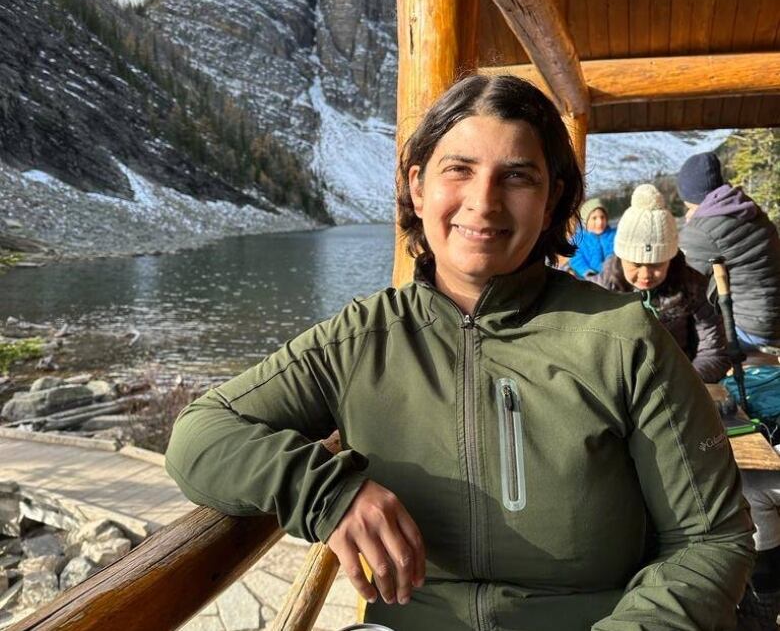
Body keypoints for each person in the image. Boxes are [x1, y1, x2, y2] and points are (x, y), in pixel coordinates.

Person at [165, 75, 754, 631]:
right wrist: (325, 491)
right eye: (459, 170)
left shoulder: (625, 342)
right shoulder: (361, 340)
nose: (484, 202)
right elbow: (200, 434)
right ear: (418, 187)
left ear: (551, 201)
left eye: (518, 176)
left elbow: (709, 539)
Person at [595, 183, 729, 384]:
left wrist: (683, 385)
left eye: (657, 263)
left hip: (680, 379)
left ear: (671, 257)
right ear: (621, 257)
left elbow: (714, 351)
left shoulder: (693, 286)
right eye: (636, 264)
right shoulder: (604, 288)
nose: (646, 274)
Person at [677, 151, 780, 350]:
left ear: (689, 194)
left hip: (752, 330)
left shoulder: (701, 229)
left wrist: (693, 226)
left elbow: (685, 281)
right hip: (773, 317)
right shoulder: (747, 207)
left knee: (691, 334)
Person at [567, 197, 616, 277]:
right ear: (586, 221)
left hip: (613, 276)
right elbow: (576, 259)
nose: (599, 222)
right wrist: (586, 271)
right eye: (594, 218)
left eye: (602, 217)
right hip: (589, 278)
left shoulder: (613, 235)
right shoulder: (579, 240)